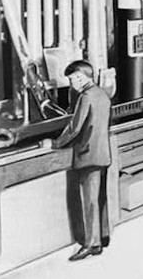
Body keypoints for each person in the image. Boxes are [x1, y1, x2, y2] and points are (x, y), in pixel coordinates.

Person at [41, 60, 112, 261]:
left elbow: (75, 128)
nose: (71, 83)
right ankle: (103, 235)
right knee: (100, 198)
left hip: (88, 156)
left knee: (89, 201)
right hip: (103, 153)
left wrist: (54, 144)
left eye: (71, 79)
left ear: (80, 77)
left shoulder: (86, 97)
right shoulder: (102, 94)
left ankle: (92, 244)